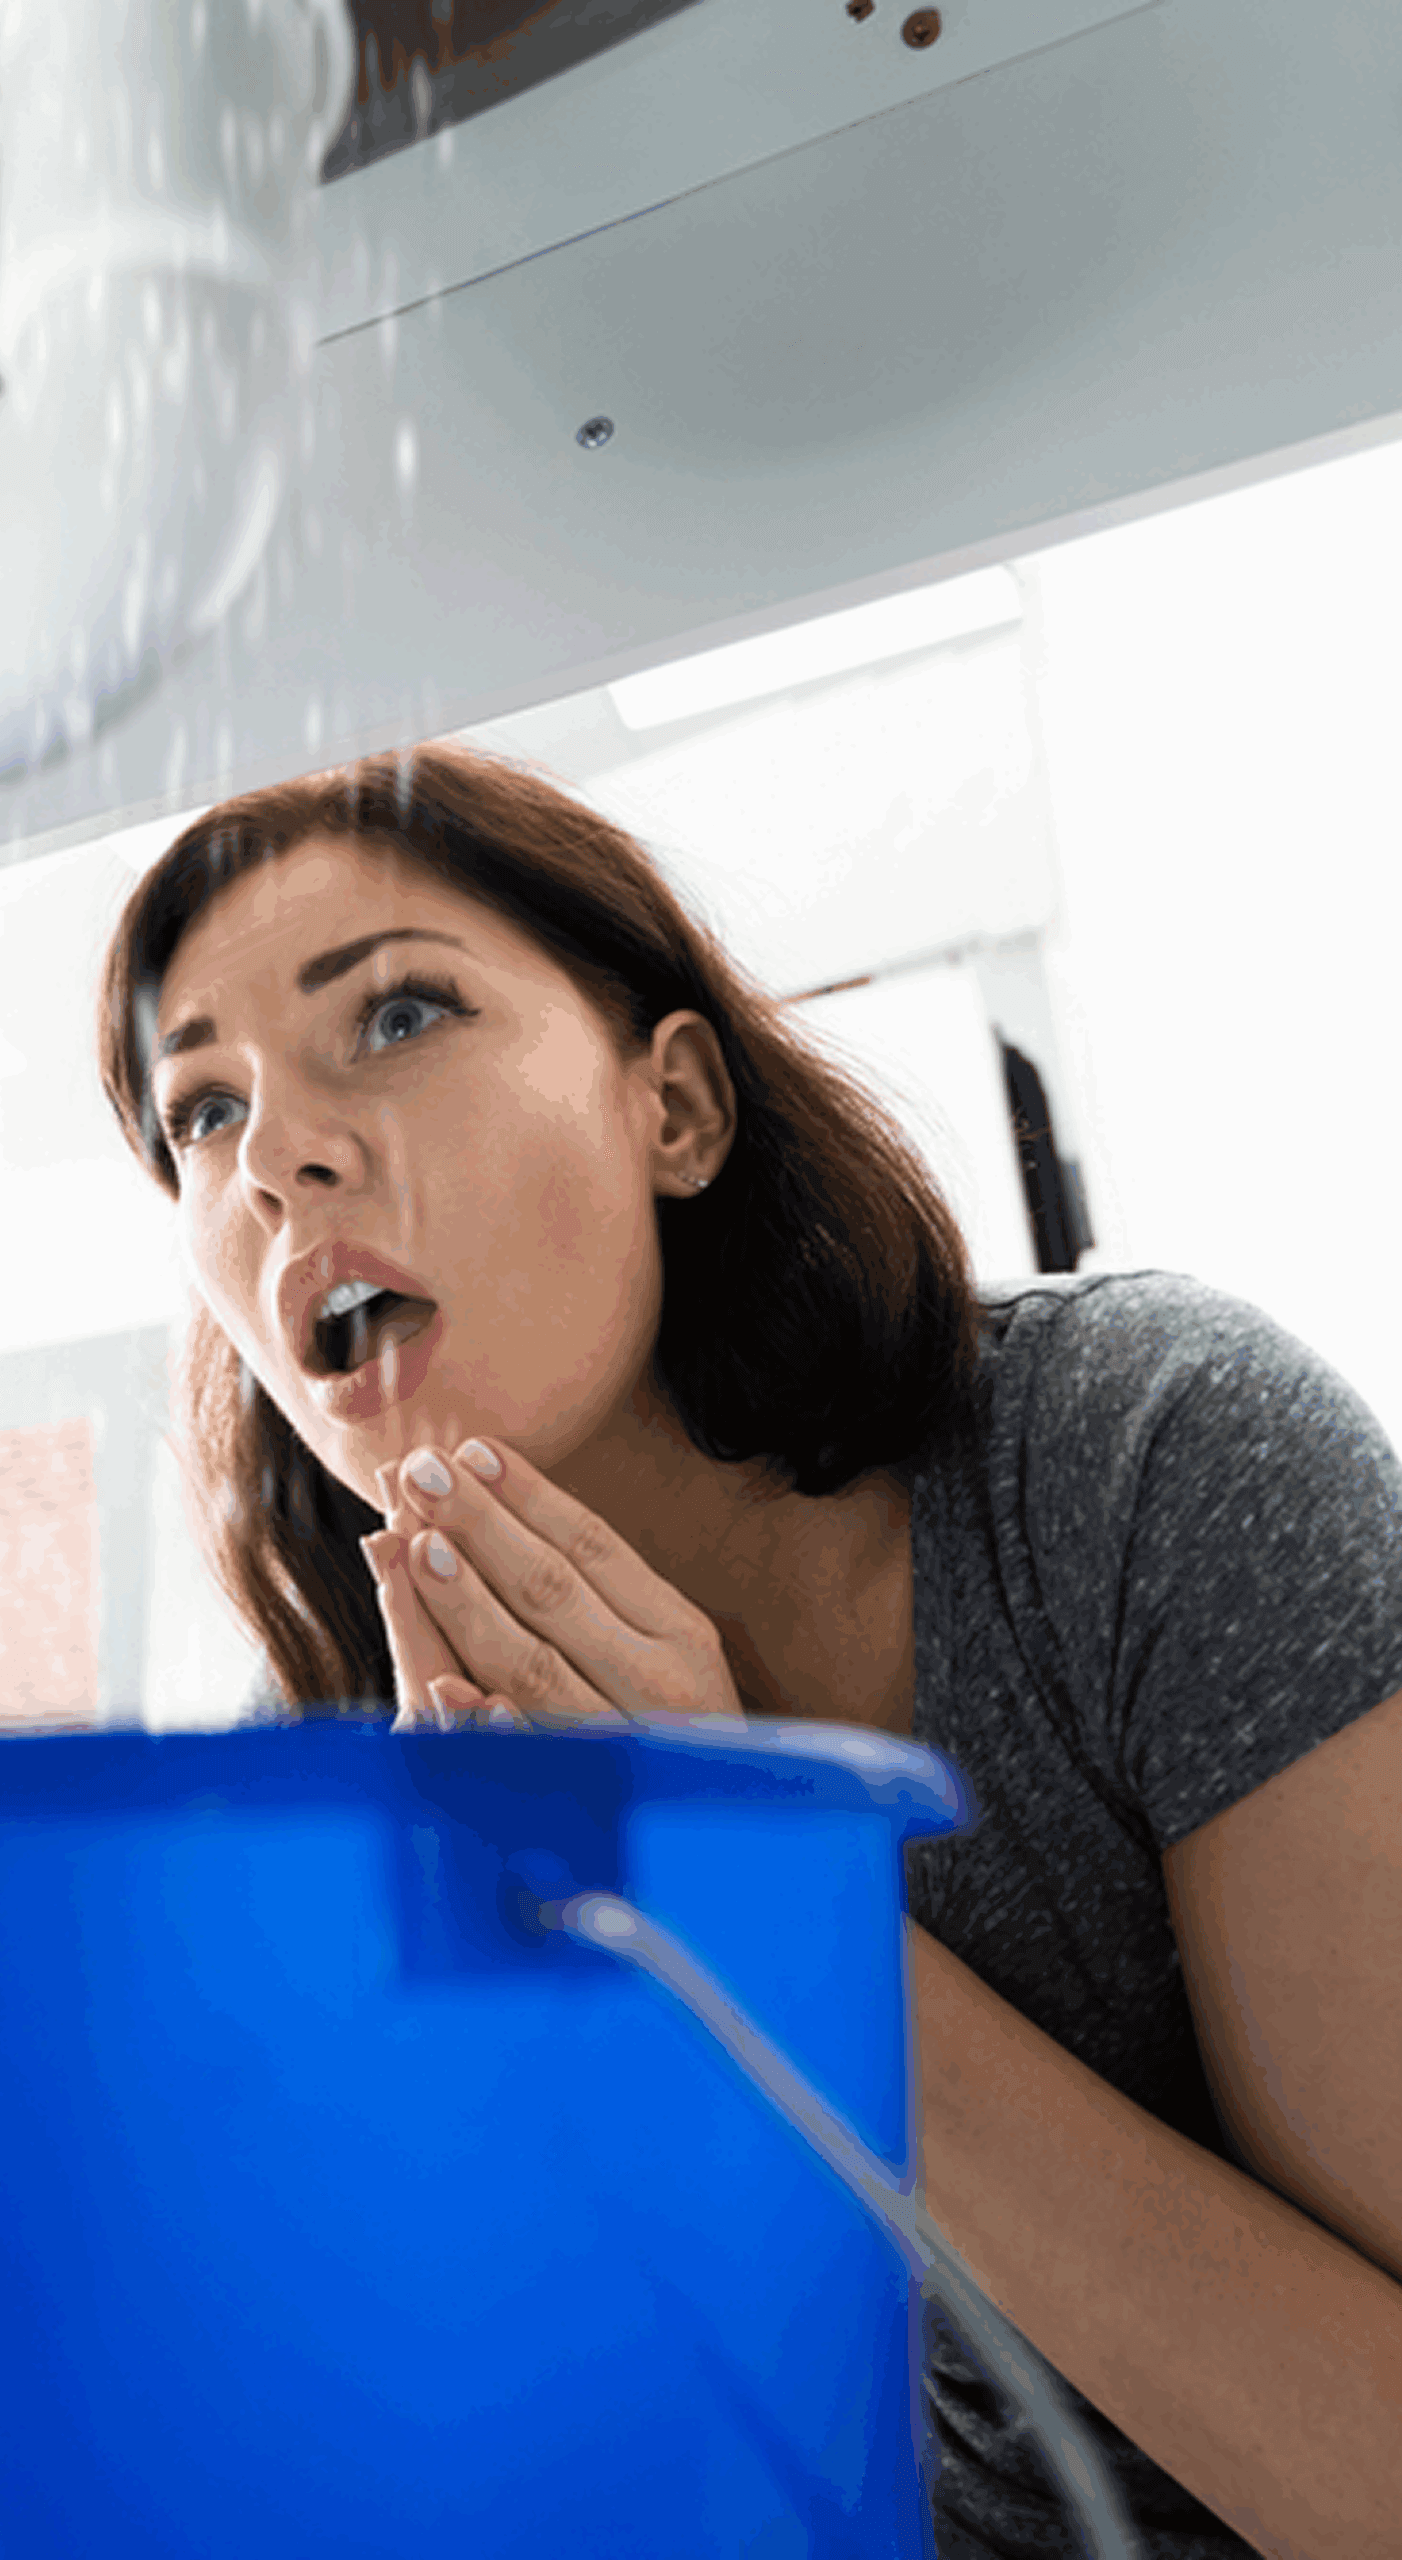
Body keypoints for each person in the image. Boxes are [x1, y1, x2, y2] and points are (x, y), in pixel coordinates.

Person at [94, 739, 1402, 2558]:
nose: (277, 1160)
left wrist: (762, 1908)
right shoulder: (329, 1752)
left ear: (677, 1111)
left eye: (396, 1014)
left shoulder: (1136, 1464)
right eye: (198, 1114)